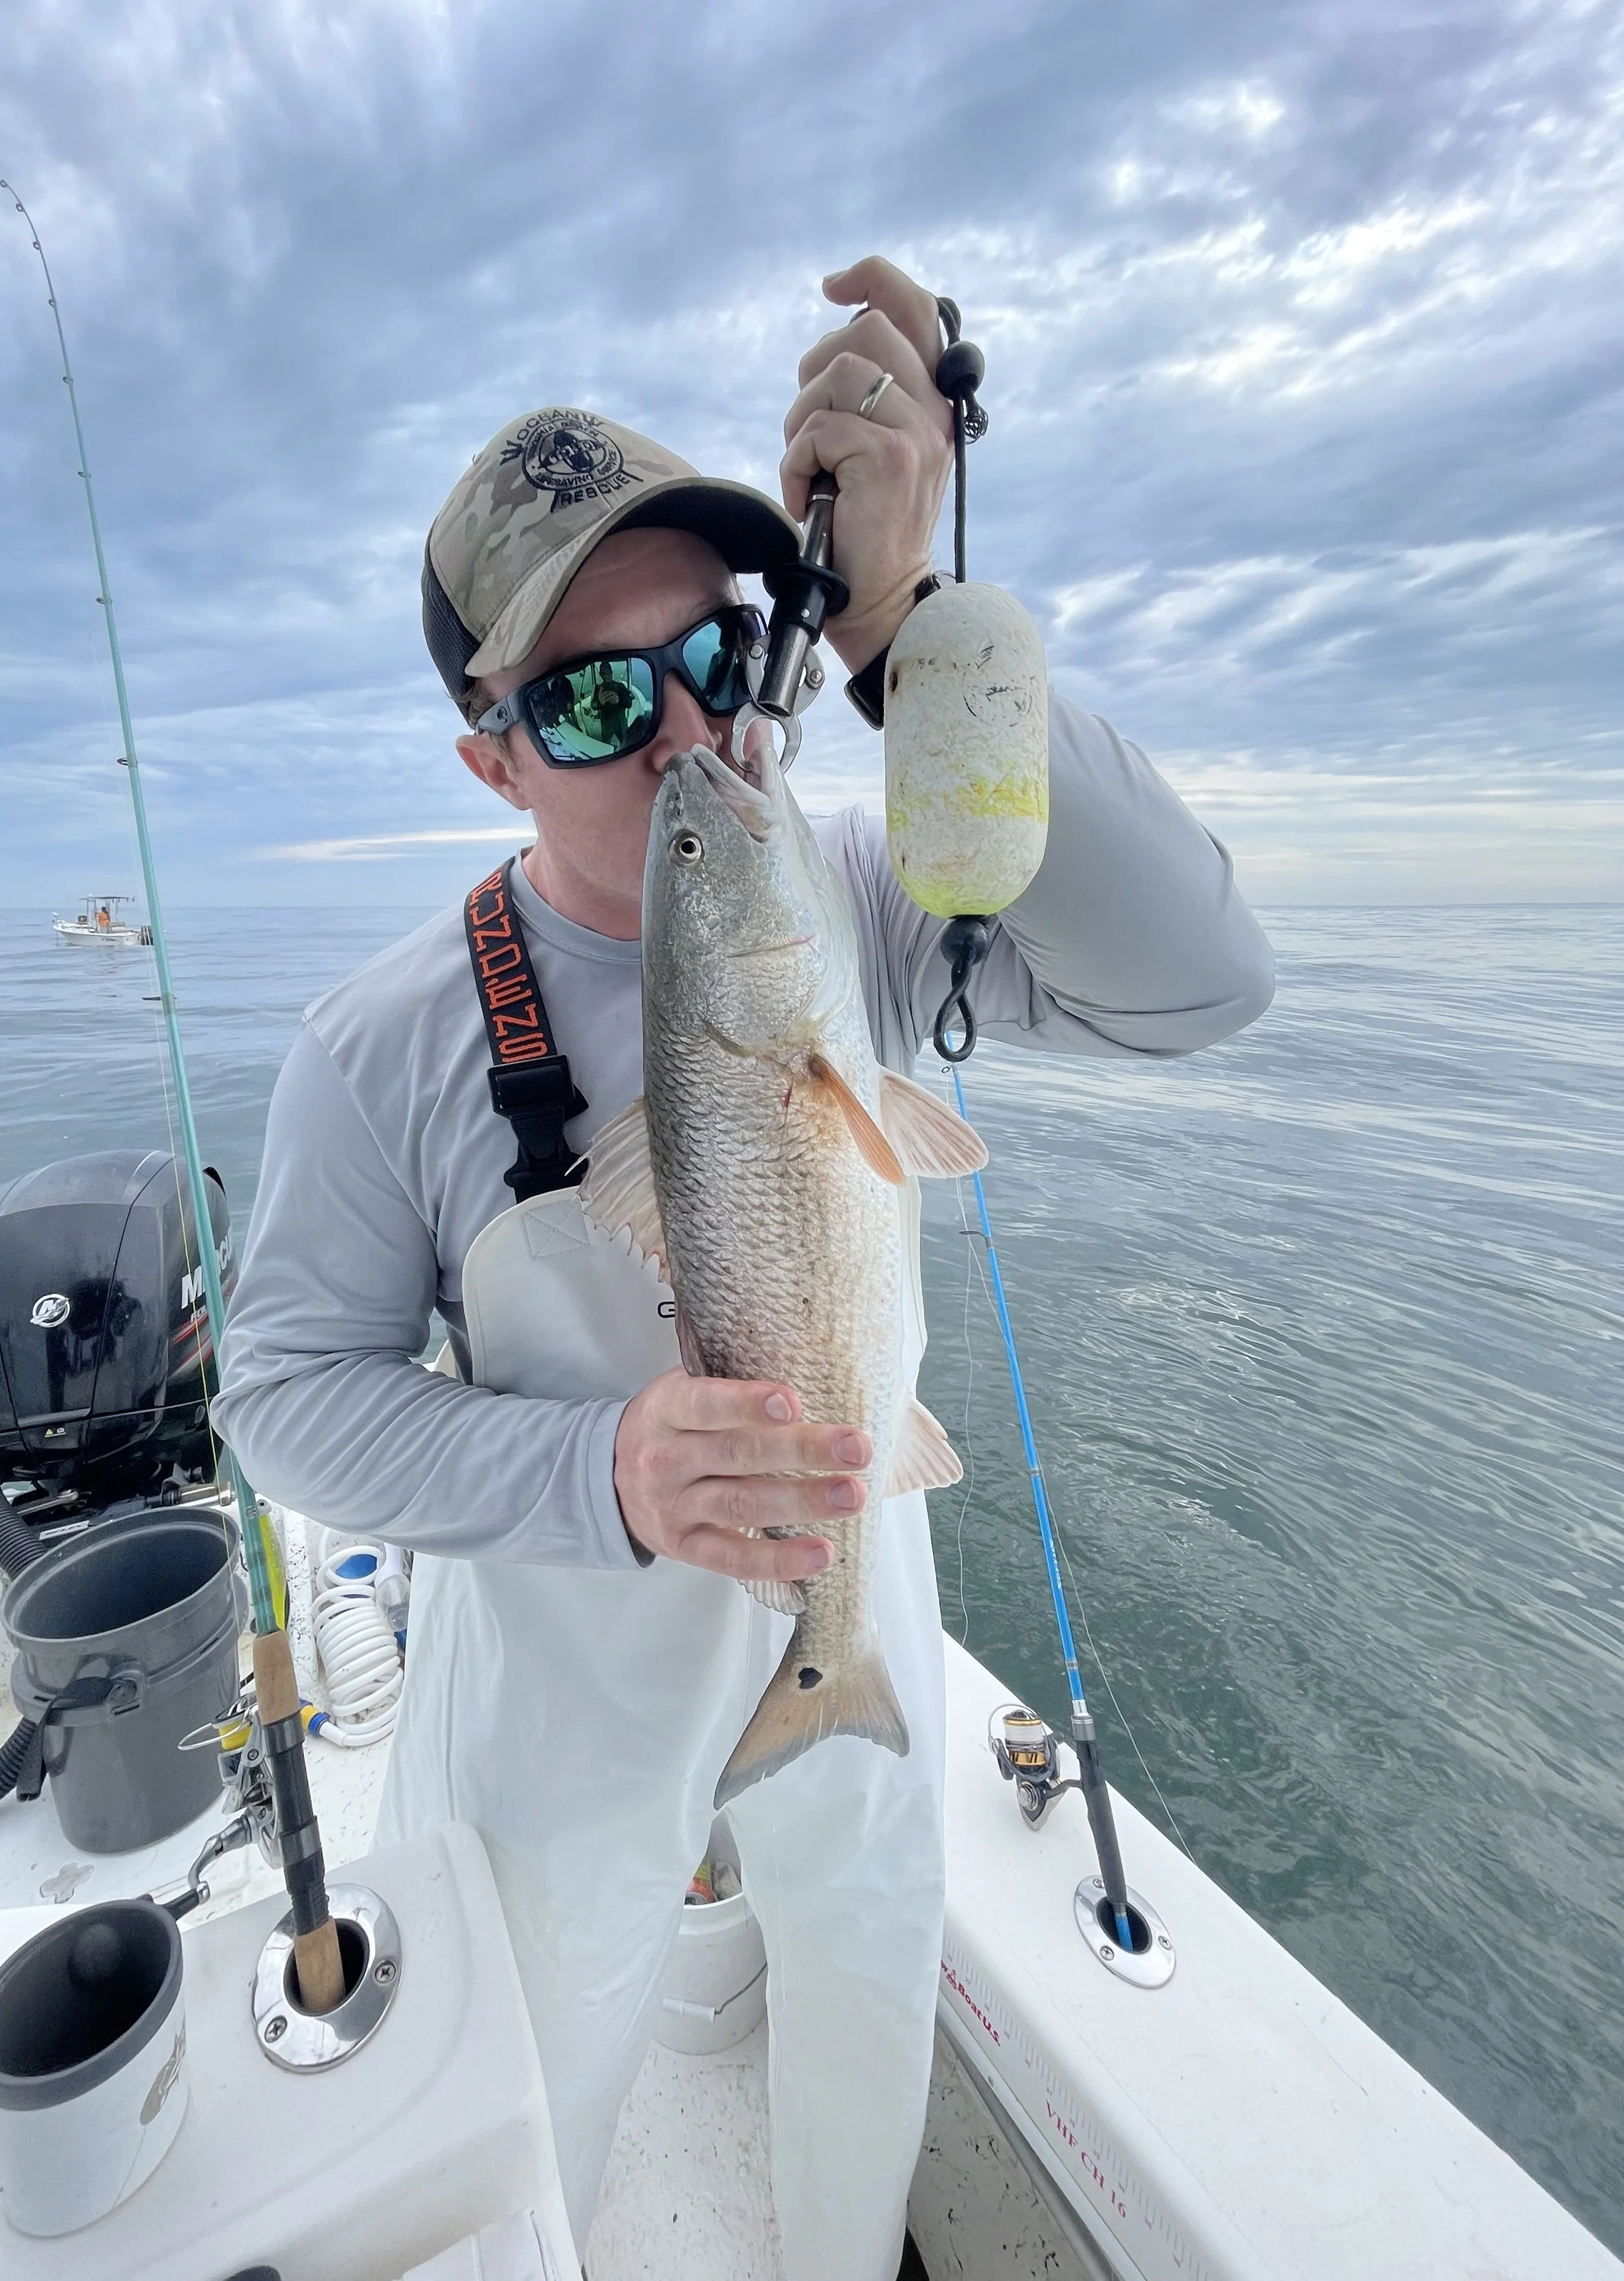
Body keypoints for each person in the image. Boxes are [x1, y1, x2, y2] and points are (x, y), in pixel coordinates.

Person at [214, 255, 1275, 2280]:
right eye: (597, 696)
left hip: (848, 1642)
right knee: (545, 2117)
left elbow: (1208, 987)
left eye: (717, 644)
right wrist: (592, 1470)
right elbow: (279, 1390)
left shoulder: (867, 902)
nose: (685, 721)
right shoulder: (382, 1041)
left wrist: (912, 635)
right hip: (554, 1720)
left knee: (863, 2050)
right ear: (495, 759)